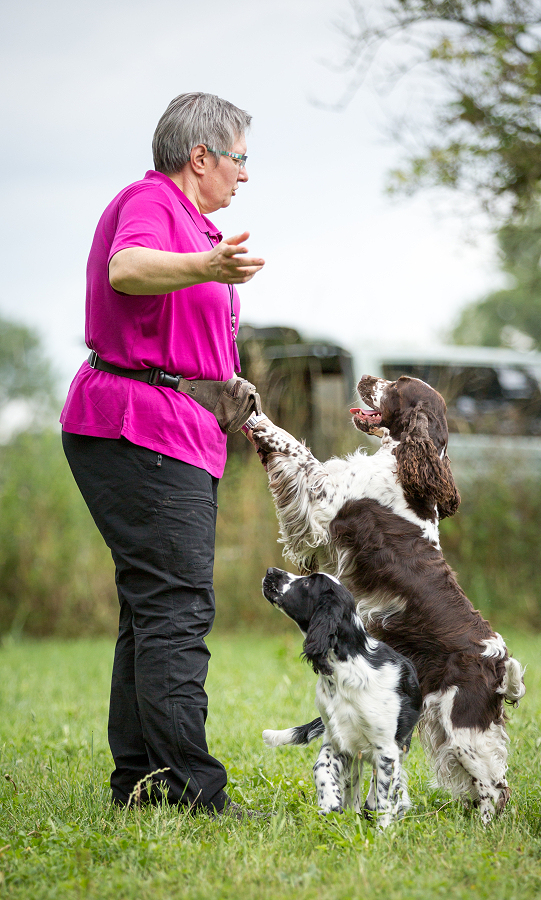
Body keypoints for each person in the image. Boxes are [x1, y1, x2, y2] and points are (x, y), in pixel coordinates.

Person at [61, 92, 265, 817]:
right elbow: (127, 270)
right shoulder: (149, 202)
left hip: (173, 424)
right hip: (132, 426)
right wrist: (208, 263)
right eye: (239, 158)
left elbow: (176, 334)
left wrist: (223, 388)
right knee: (175, 608)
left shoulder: (195, 224)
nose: (246, 174)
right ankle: (191, 791)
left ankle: (140, 784)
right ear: (200, 156)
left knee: (150, 611)